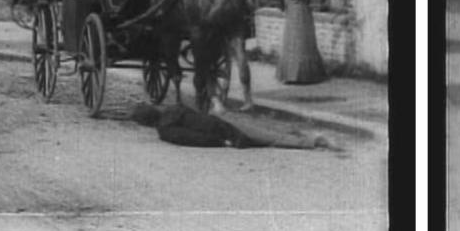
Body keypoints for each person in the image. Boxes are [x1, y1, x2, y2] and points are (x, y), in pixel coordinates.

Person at [130, 103, 335, 150]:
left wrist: (221, 142)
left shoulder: (165, 131)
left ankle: (312, 142)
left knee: (269, 140)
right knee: (262, 131)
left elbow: (193, 139)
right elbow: (196, 117)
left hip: (223, 131)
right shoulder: (173, 108)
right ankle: (303, 136)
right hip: (221, 120)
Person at [277, 0, 327, 84]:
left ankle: (296, 75)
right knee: (299, 40)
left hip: (298, 9)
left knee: (298, 40)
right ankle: (298, 74)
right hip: (299, 9)